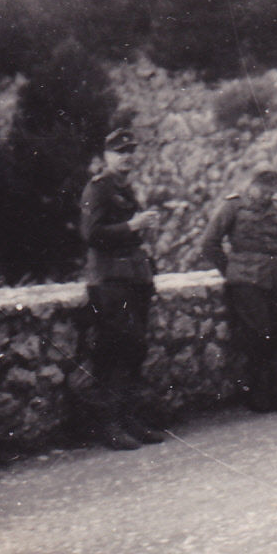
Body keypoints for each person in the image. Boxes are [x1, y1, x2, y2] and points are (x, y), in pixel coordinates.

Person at [79, 127, 164, 450]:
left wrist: (141, 228)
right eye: (120, 152)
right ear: (106, 156)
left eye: (131, 151)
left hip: (133, 278)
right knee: (116, 349)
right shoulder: (98, 189)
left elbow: (127, 235)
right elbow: (91, 234)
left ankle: (129, 420)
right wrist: (132, 225)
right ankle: (110, 425)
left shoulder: (125, 189)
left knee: (135, 348)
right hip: (110, 280)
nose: (127, 157)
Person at [201, 164, 277, 414]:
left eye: (271, 190)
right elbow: (209, 244)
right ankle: (256, 393)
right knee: (259, 333)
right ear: (251, 186)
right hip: (246, 281)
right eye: (262, 189)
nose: (267, 194)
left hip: (275, 279)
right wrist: (232, 271)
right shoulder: (233, 207)